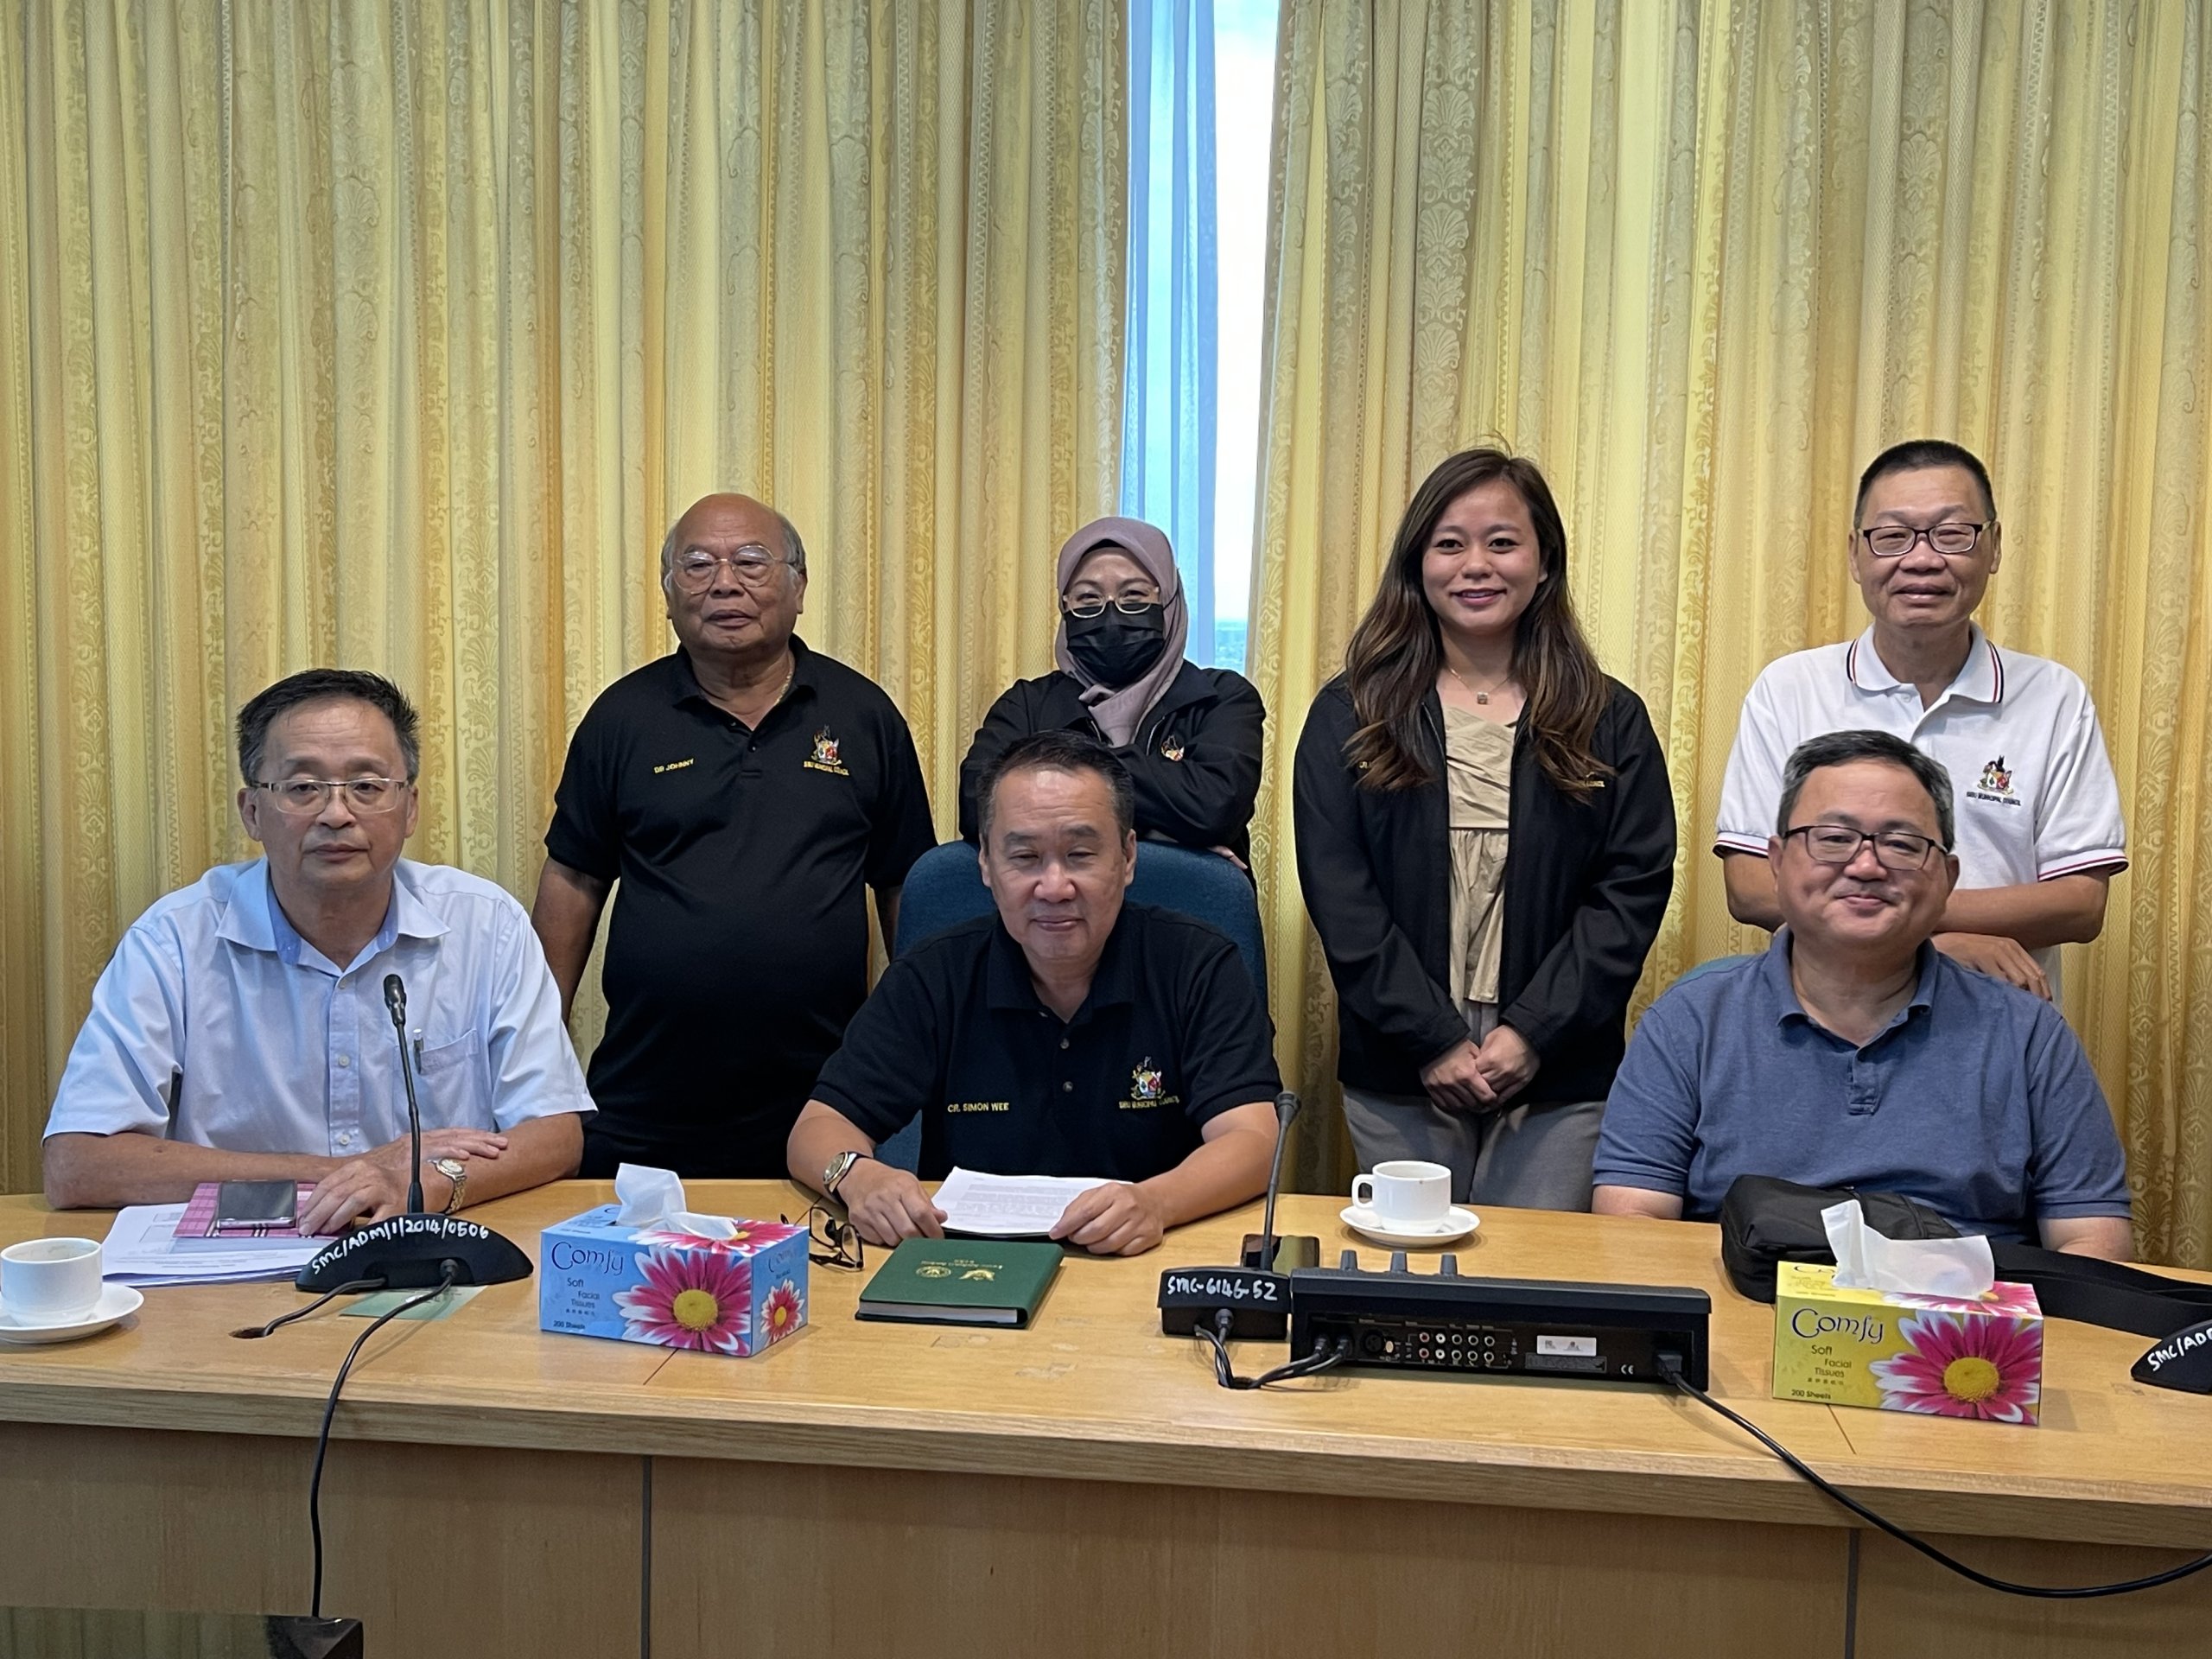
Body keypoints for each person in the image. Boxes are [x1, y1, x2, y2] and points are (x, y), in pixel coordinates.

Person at [43, 671, 592, 1232]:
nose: (336, 814)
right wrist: (352, 1173)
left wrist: (416, 1187)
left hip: (430, 1248)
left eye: (367, 786)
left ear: (409, 808)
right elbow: (79, 1162)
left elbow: (554, 1134)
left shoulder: (485, 924)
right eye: (303, 787)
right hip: (237, 1264)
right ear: (252, 811)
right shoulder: (175, 941)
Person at [1294, 448, 1675, 1211]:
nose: (1476, 565)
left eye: (1502, 542)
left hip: (1559, 1061)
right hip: (1403, 1057)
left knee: (1533, 1289)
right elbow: (1343, 898)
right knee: (1409, 1286)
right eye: (1449, 543)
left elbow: (1629, 893)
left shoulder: (1610, 717)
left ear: (1544, 563)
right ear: (1417, 563)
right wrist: (1432, 1038)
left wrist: (1533, 1034)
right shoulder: (1353, 714)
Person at [1597, 731, 2132, 1259]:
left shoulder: (2028, 1034)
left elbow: (2094, 1242)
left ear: (1947, 878)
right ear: (1778, 862)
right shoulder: (1691, 1020)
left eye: (1901, 844)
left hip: (1959, 1333)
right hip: (1745, 1313)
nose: (1867, 866)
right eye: (1833, 838)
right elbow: (1632, 1222)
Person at [532, 493, 937, 1178]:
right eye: (696, 565)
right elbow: (573, 881)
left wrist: (918, 1046)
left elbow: (905, 885)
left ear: (798, 586)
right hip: (645, 1094)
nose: (725, 582)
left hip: (825, 1100)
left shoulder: (864, 716)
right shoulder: (621, 718)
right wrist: (538, 1055)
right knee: (635, 1280)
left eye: (751, 561)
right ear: (667, 594)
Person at [786, 732, 1281, 1256]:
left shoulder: (1199, 964)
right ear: (986, 865)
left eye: (1081, 854)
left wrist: (1156, 1203)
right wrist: (858, 1177)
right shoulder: (934, 973)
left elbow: (1253, 1139)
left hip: (1148, 1260)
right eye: (1024, 857)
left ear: (1128, 857)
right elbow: (818, 1127)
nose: (1054, 887)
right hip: (969, 1269)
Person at [1715, 439, 2126, 1002]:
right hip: (1820, 1025)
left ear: (1994, 546)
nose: (1923, 559)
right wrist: (1936, 941)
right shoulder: (1789, 690)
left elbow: (2081, 902)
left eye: (1952, 534)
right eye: (1893, 537)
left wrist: (1909, 925)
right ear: (1856, 554)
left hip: (1994, 1024)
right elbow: (1751, 887)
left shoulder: (2054, 697)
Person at [957, 516, 1263, 868]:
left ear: (1169, 602)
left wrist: (1051, 769)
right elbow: (976, 804)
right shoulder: (1026, 704)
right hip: (1050, 905)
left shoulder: (1220, 697)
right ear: (1065, 607)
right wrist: (1168, 836)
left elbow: (1215, 808)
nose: (1111, 614)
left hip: (1189, 911)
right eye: (1088, 599)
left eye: (1133, 595)